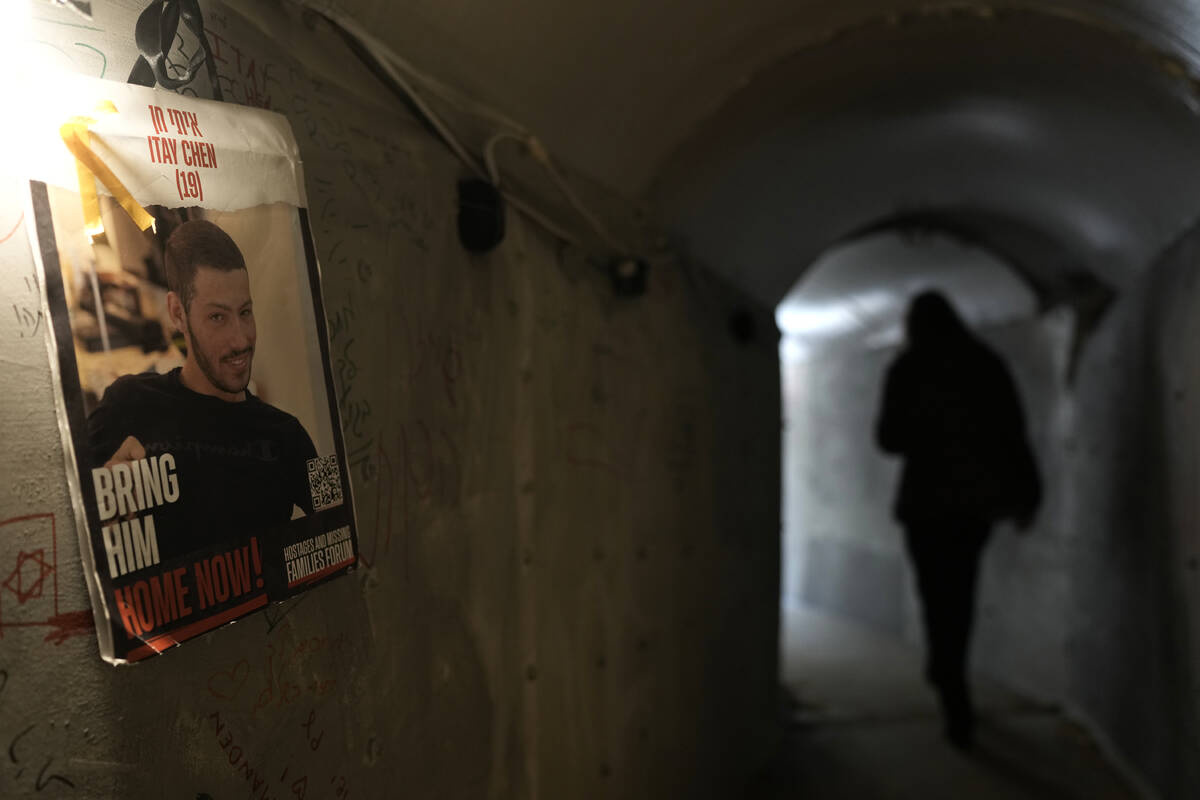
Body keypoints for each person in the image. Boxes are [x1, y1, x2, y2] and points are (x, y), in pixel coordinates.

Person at [87, 219, 318, 559]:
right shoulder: (128, 404)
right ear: (178, 313)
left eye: (245, 312)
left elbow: (345, 530)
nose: (240, 339)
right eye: (217, 317)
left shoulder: (287, 435)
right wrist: (102, 498)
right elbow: (68, 531)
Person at [875, 290, 1041, 750]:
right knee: (960, 595)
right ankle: (952, 679)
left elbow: (887, 439)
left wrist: (923, 429)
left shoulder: (908, 368)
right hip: (972, 506)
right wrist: (1026, 496)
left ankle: (945, 671)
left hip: (924, 506)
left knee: (933, 592)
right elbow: (1013, 433)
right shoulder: (985, 364)